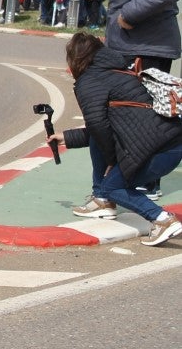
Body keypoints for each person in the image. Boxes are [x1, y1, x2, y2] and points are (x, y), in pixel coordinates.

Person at [49, 32, 182, 246]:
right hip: (169, 144)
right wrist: (68, 138)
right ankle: (103, 202)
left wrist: (112, 162)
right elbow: (105, 127)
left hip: (158, 151)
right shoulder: (121, 71)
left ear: (76, 59)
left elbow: (99, 126)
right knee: (98, 141)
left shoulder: (89, 81)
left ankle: (163, 220)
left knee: (113, 186)